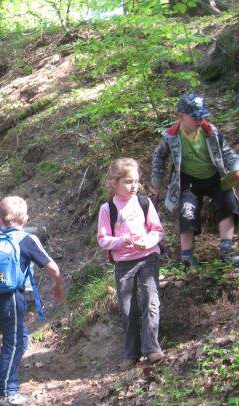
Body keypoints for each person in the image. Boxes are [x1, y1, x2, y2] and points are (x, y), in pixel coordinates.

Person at [0, 196, 63, 406]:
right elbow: (52, 267)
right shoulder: (27, 239)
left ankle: (0, 370)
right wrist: (57, 285)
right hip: (11, 296)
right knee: (16, 341)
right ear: (25, 219)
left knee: (17, 338)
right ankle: (6, 392)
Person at [151, 92, 239, 267]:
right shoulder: (171, 136)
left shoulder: (211, 132)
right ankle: (187, 256)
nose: (200, 120)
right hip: (188, 181)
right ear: (181, 116)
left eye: (202, 116)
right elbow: (159, 156)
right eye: (195, 117)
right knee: (187, 212)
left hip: (214, 177)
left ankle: (226, 247)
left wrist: (236, 166)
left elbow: (227, 152)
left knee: (229, 203)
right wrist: (156, 182)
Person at [99, 158, 165, 370]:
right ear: (114, 183)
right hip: (124, 263)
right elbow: (103, 239)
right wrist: (121, 241)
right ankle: (131, 354)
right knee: (127, 308)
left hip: (148, 257)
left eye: (136, 181)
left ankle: (151, 348)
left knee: (150, 300)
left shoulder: (145, 203)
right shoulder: (108, 208)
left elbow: (157, 230)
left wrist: (146, 242)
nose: (133, 186)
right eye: (128, 182)